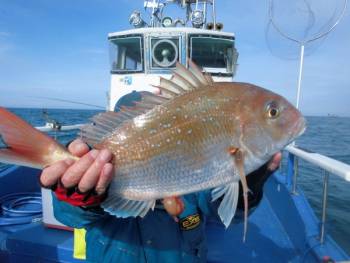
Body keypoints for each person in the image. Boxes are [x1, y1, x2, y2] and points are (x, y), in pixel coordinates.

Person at [39, 92, 282, 263]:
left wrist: (246, 188)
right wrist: (80, 197)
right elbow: (67, 215)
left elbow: (220, 210)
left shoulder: (192, 160)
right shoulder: (100, 163)